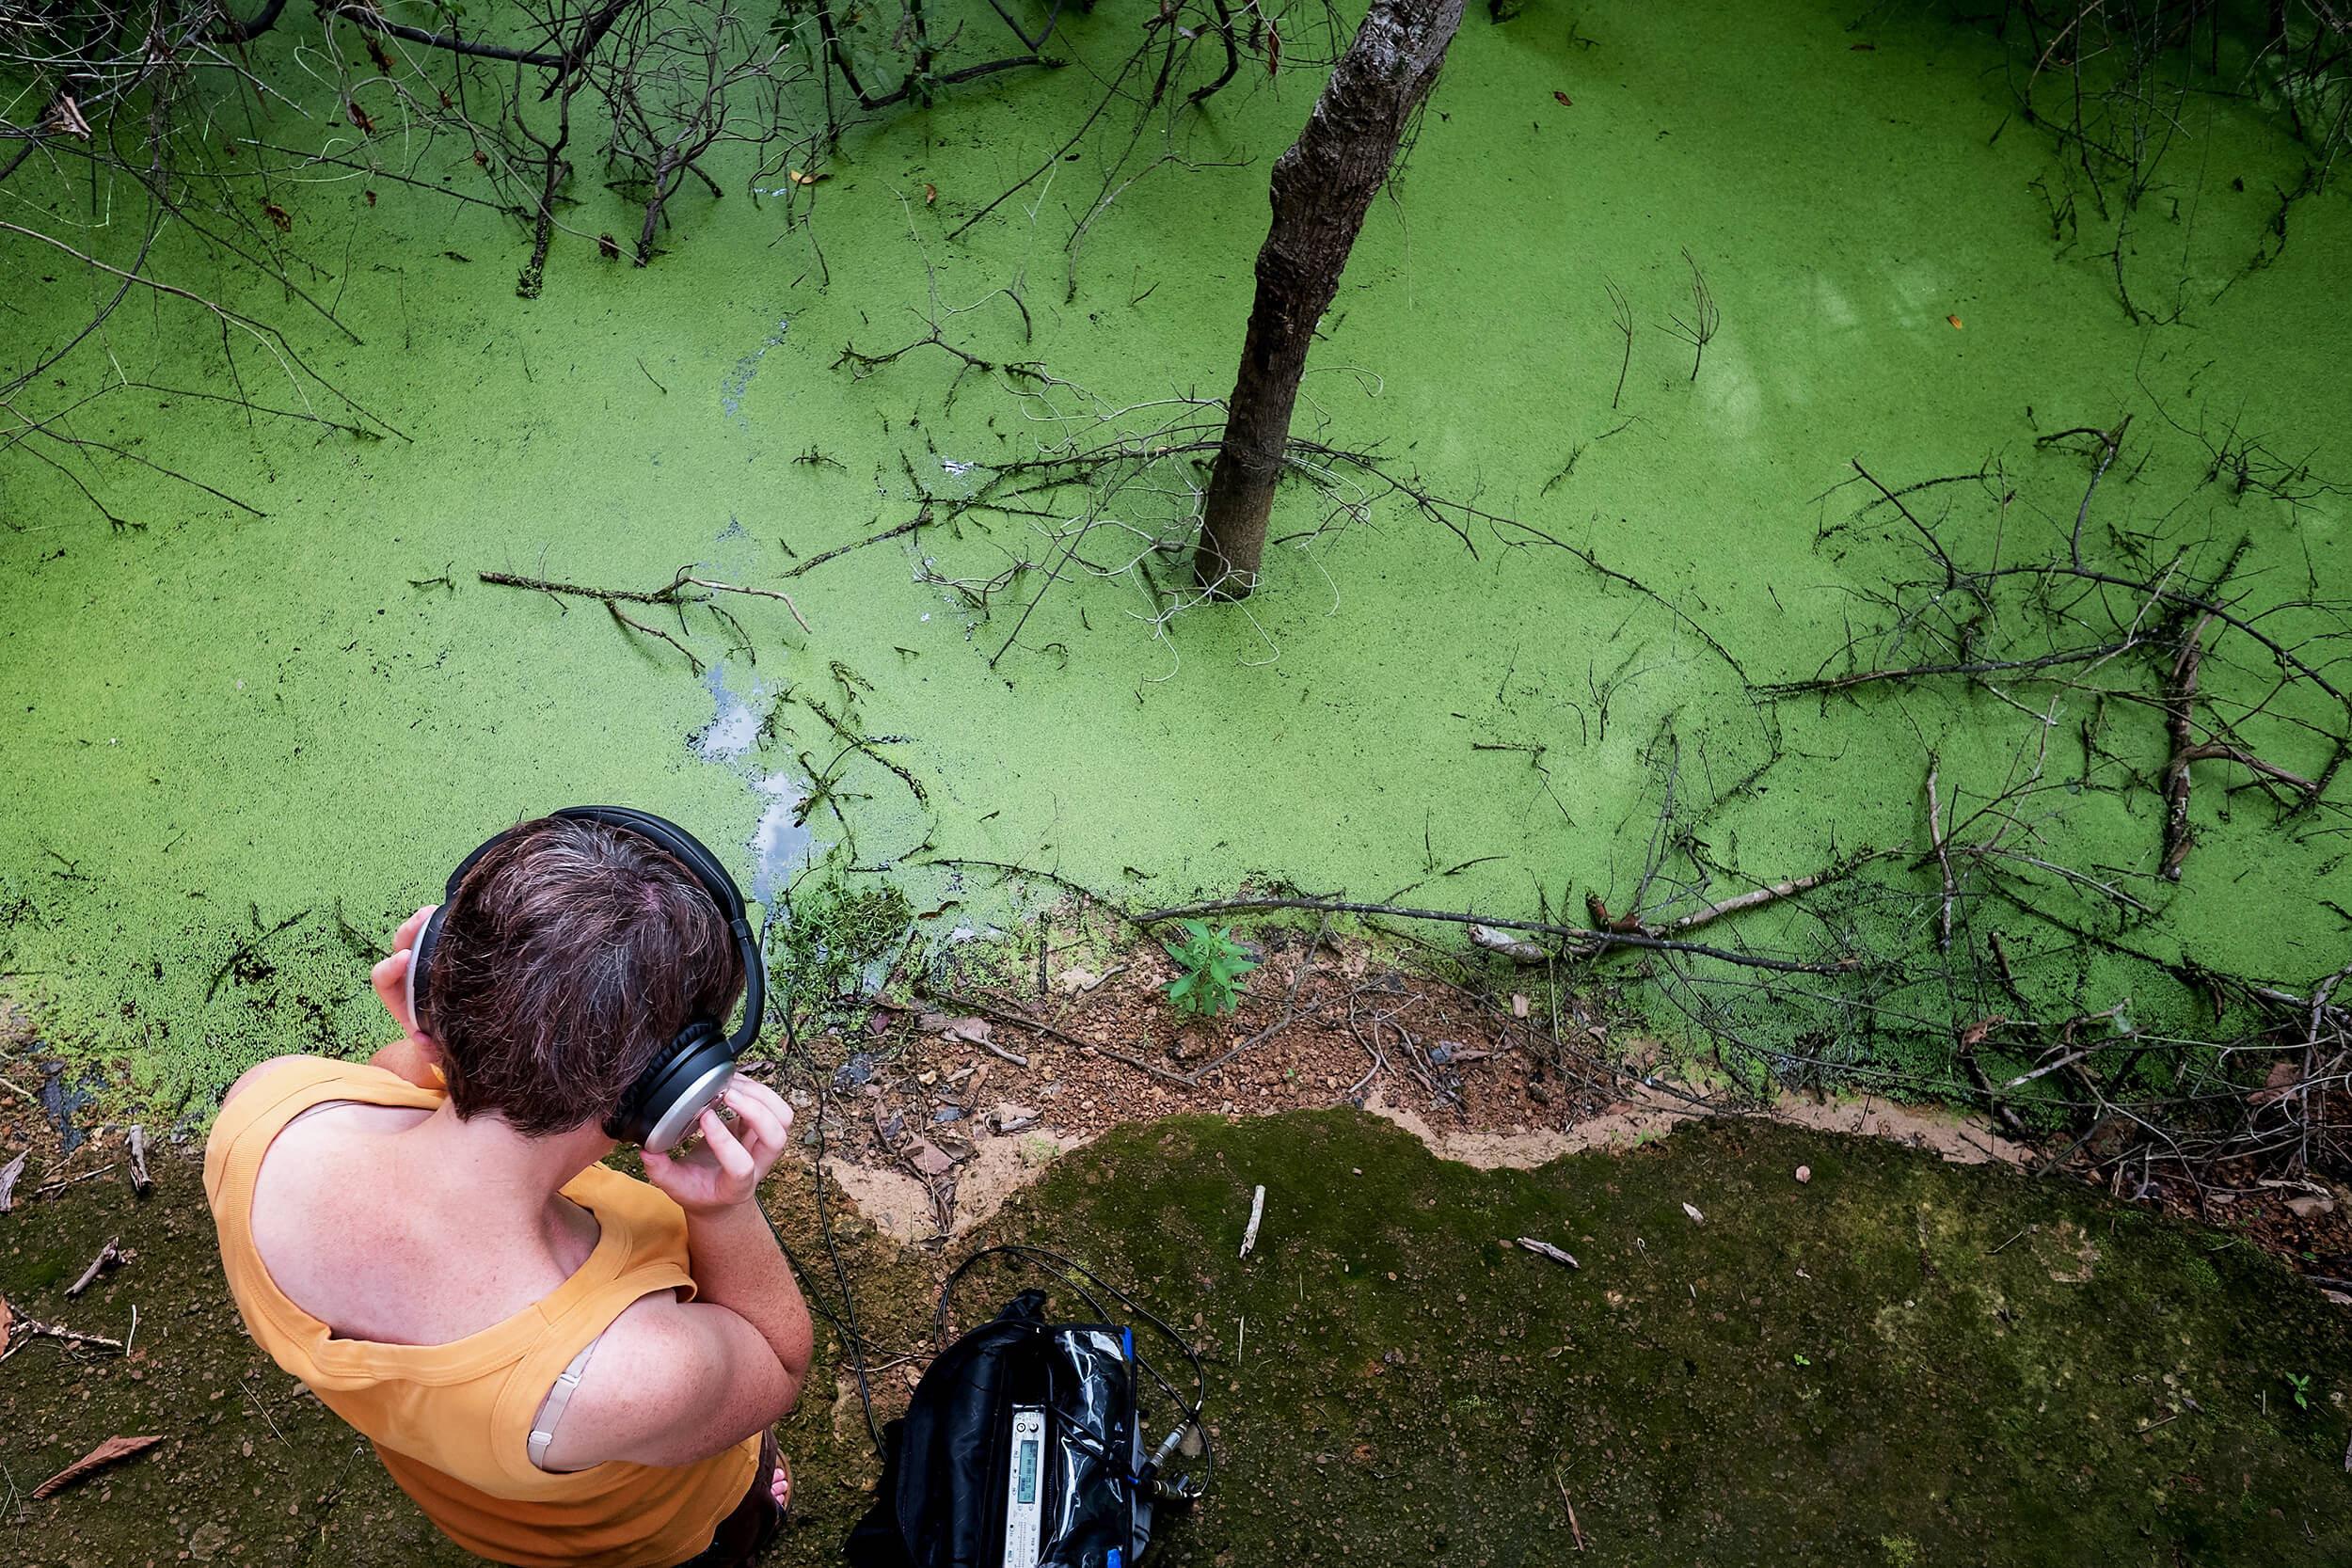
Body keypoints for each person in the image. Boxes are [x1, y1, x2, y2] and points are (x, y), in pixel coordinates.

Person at [204, 815, 814, 1568]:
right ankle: (749, 1514)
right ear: (671, 1095)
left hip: (478, 1496)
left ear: (435, 979)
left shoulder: (267, 1110)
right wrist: (724, 1206)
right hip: (646, 1531)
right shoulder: (615, 1373)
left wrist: (429, 1047)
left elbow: (400, 1090)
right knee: (728, 1519)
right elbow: (778, 1363)